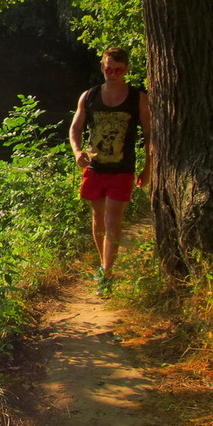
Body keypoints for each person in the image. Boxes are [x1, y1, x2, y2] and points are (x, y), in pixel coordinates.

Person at [69, 47, 151, 296]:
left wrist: (148, 166)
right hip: (94, 168)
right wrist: (76, 151)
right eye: (108, 68)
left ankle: (107, 273)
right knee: (98, 221)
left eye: (118, 69)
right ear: (102, 67)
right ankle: (103, 264)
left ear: (125, 70)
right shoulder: (89, 96)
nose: (112, 73)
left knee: (112, 220)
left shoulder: (138, 98)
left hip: (122, 169)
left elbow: (149, 133)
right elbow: (75, 128)